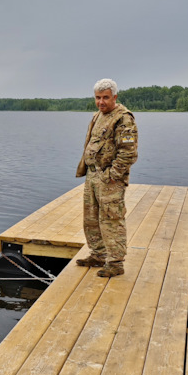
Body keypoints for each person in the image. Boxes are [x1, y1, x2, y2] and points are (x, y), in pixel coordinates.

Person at [75, 79, 138, 277]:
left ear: (115, 97)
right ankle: (99, 254)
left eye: (105, 98)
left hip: (109, 178)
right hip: (92, 175)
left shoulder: (123, 118)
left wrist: (113, 175)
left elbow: (128, 153)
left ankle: (116, 262)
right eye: (98, 98)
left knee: (112, 219)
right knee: (91, 219)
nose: (101, 102)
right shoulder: (97, 116)